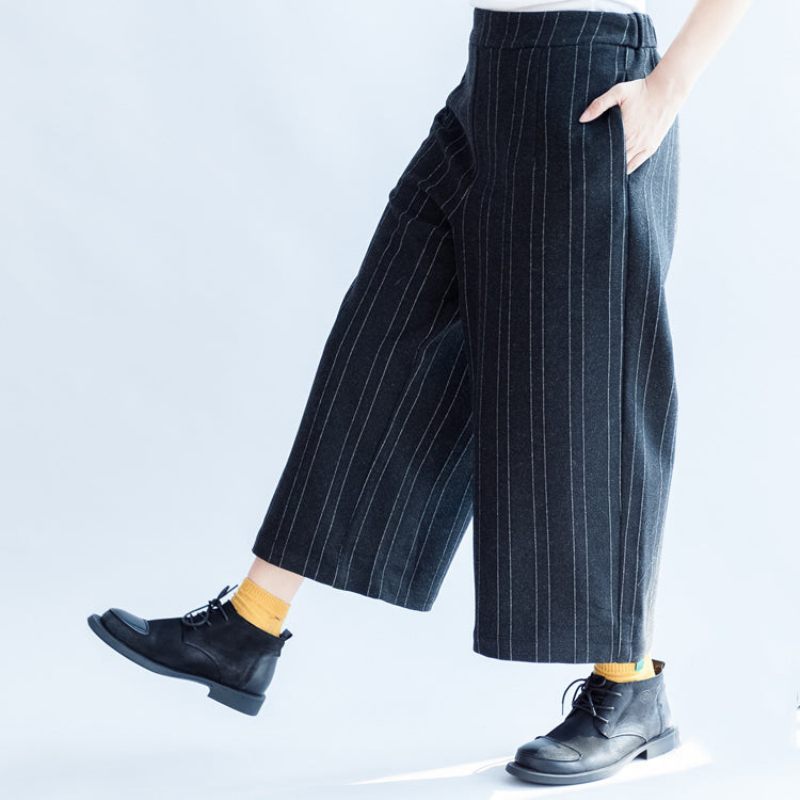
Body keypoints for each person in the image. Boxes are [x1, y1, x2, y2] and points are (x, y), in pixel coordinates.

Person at [87, 0, 751, 786]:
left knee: (582, 389)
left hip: (590, 81)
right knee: (385, 343)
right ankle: (249, 627)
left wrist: (669, 87)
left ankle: (630, 685)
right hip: (491, 75)